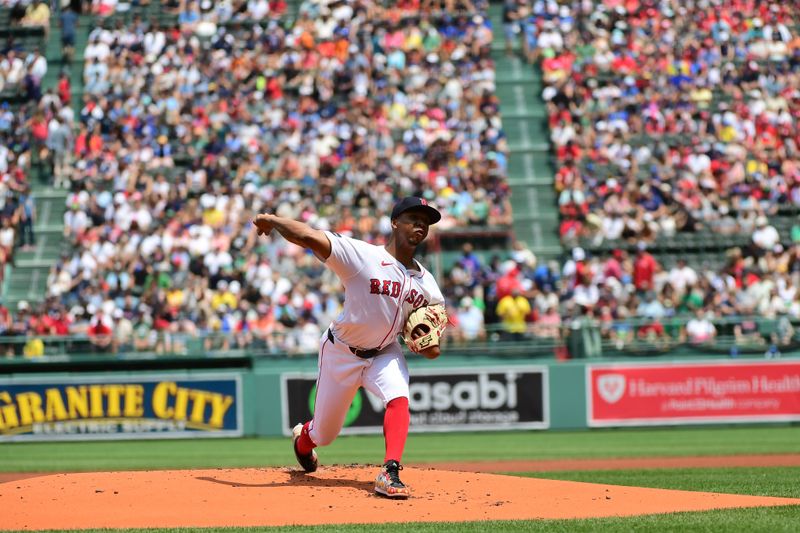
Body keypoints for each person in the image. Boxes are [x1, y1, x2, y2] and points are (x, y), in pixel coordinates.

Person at [253, 196, 445, 500]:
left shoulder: (429, 285)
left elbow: (433, 348)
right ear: (395, 223)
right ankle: (304, 439)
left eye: (426, 221)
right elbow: (309, 236)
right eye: (413, 218)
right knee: (324, 435)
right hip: (342, 351)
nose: (420, 224)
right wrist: (274, 221)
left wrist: (428, 344)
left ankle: (390, 471)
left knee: (399, 397)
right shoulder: (363, 256)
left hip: (385, 352)